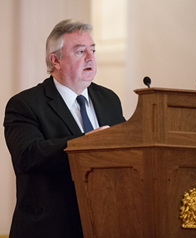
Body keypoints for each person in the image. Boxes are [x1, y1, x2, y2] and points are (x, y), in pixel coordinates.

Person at [4, 19, 126, 238]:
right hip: (49, 228)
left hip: (107, 223)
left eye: (93, 50)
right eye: (80, 52)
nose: (91, 58)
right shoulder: (25, 104)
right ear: (56, 60)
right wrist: (86, 143)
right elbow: (28, 156)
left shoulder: (109, 99)